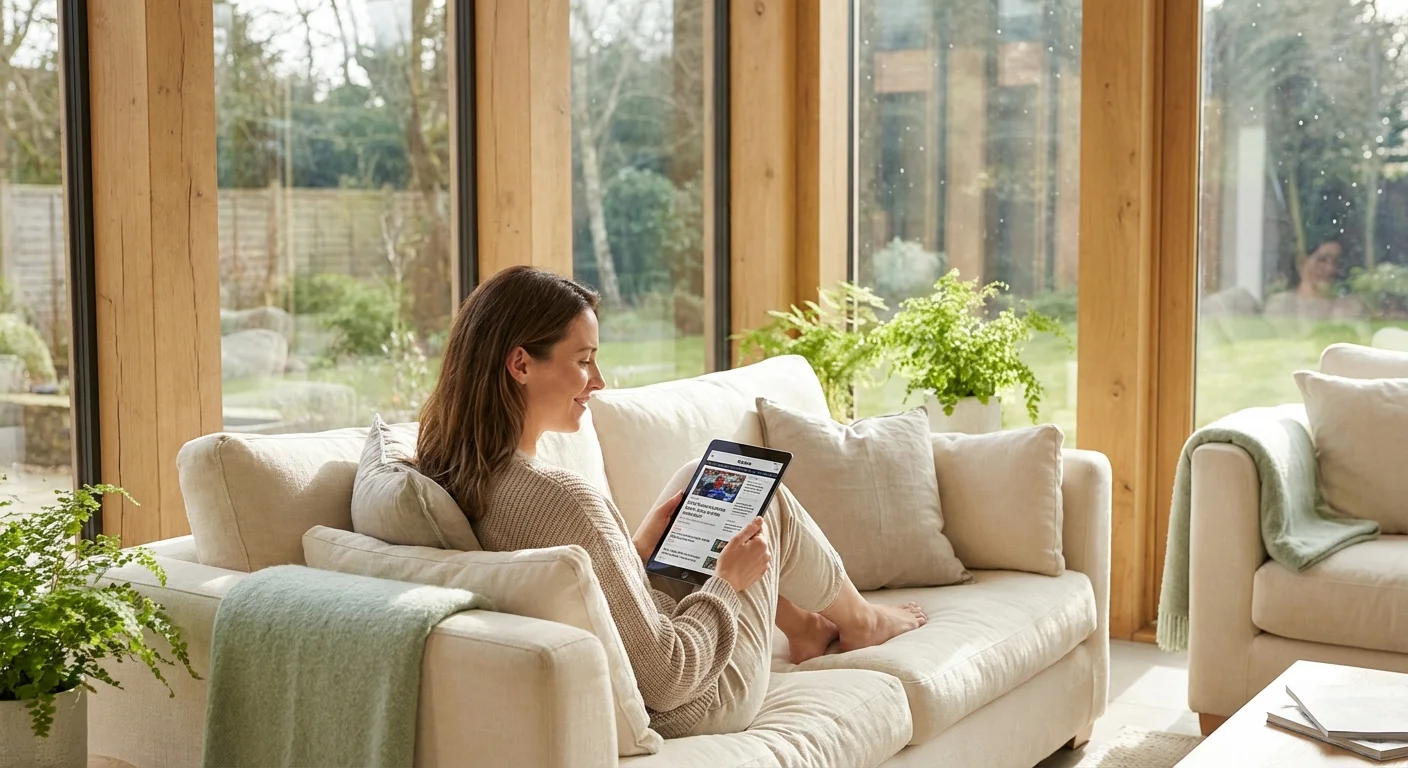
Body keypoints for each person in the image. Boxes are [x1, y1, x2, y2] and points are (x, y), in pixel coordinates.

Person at [415, 266, 926, 739]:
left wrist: (633, 550)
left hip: (647, 646)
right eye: (584, 360)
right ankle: (861, 622)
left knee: (700, 479)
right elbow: (667, 678)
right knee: (763, 502)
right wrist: (728, 584)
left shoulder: (455, 470)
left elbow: (569, 587)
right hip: (699, 699)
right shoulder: (565, 500)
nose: (599, 381)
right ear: (521, 364)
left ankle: (808, 627)